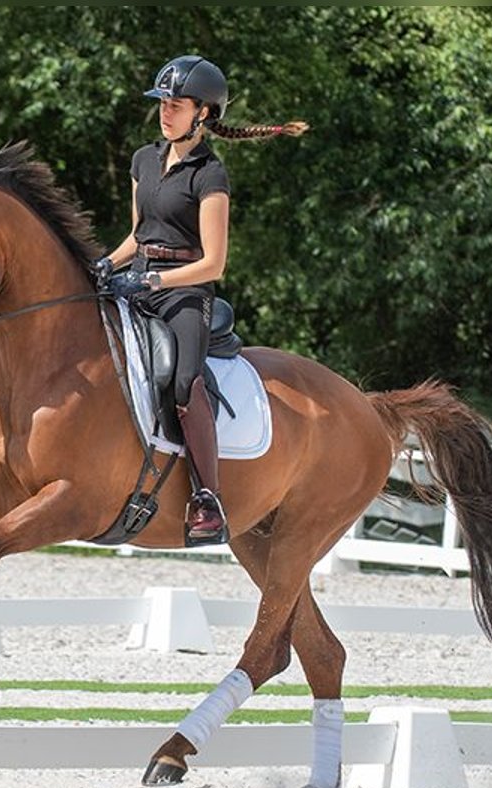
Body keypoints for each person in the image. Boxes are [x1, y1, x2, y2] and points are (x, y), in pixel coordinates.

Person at [94, 55, 307, 546]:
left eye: (175, 104)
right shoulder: (143, 160)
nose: (165, 112)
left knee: (184, 381)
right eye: (162, 103)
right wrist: (108, 264)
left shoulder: (210, 174)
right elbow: (137, 235)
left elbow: (214, 263)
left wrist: (152, 284)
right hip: (137, 279)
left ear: (203, 114)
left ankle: (205, 498)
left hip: (185, 292)